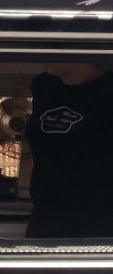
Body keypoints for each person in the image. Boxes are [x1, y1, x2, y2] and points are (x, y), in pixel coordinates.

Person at [24, 62, 113, 238]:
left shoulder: (108, 90)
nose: (46, 54)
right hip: (45, 215)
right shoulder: (43, 85)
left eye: (55, 48)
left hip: (100, 220)